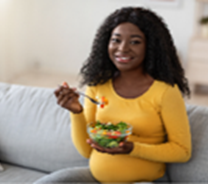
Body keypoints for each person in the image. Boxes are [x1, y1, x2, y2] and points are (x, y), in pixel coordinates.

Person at [54, 6, 192, 183]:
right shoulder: (98, 86)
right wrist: (76, 112)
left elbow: (183, 151)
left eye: (135, 42)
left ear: (150, 47)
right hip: (95, 178)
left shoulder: (165, 92)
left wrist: (133, 148)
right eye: (116, 40)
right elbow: (86, 151)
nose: (123, 48)